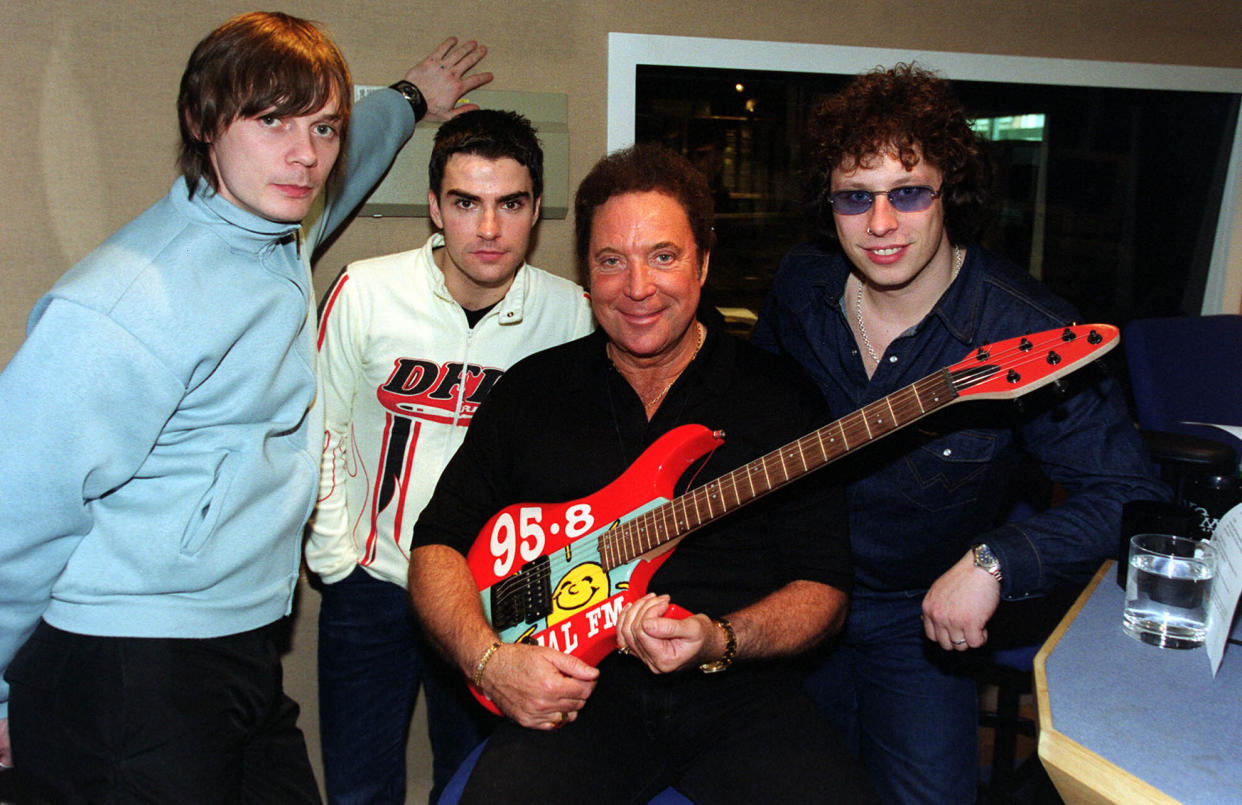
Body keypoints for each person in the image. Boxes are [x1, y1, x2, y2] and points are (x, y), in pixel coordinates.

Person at [0, 11, 491, 802]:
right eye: (270, 121)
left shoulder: (278, 230)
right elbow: (9, 503)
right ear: (203, 121)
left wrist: (408, 98)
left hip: (243, 650)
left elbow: (355, 151)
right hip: (129, 661)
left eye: (321, 126)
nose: (305, 154)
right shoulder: (121, 304)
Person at [406, 144, 876, 804]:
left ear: (703, 263)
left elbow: (824, 588)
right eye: (610, 260)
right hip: (580, 696)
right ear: (586, 271)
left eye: (663, 255)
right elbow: (436, 544)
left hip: (740, 695)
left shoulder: (779, 395)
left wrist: (721, 637)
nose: (637, 287)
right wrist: (492, 659)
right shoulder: (533, 392)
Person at [750, 63, 1169, 804]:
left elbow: (1129, 492)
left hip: (913, 619)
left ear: (951, 193)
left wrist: (998, 560)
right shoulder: (801, 286)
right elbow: (755, 411)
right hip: (791, 590)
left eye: (908, 193)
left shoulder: (1031, 330)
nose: (881, 224)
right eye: (856, 197)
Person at [307, 109, 594, 805]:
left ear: (536, 211)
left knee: (479, 789)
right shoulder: (367, 291)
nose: (488, 229)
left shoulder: (574, 315)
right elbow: (320, 426)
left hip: (498, 598)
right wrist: (337, 560)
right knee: (358, 790)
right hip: (371, 586)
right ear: (436, 206)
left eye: (510, 204)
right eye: (467, 203)